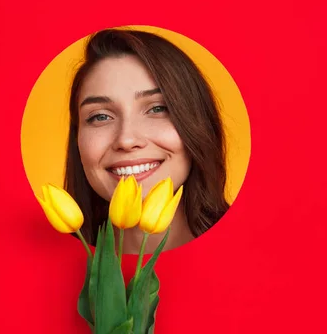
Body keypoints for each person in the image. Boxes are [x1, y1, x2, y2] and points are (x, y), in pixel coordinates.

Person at [64, 28, 230, 254]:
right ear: (77, 140)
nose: (126, 139)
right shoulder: (44, 266)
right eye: (100, 116)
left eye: (157, 108)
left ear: (198, 123)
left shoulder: (258, 253)